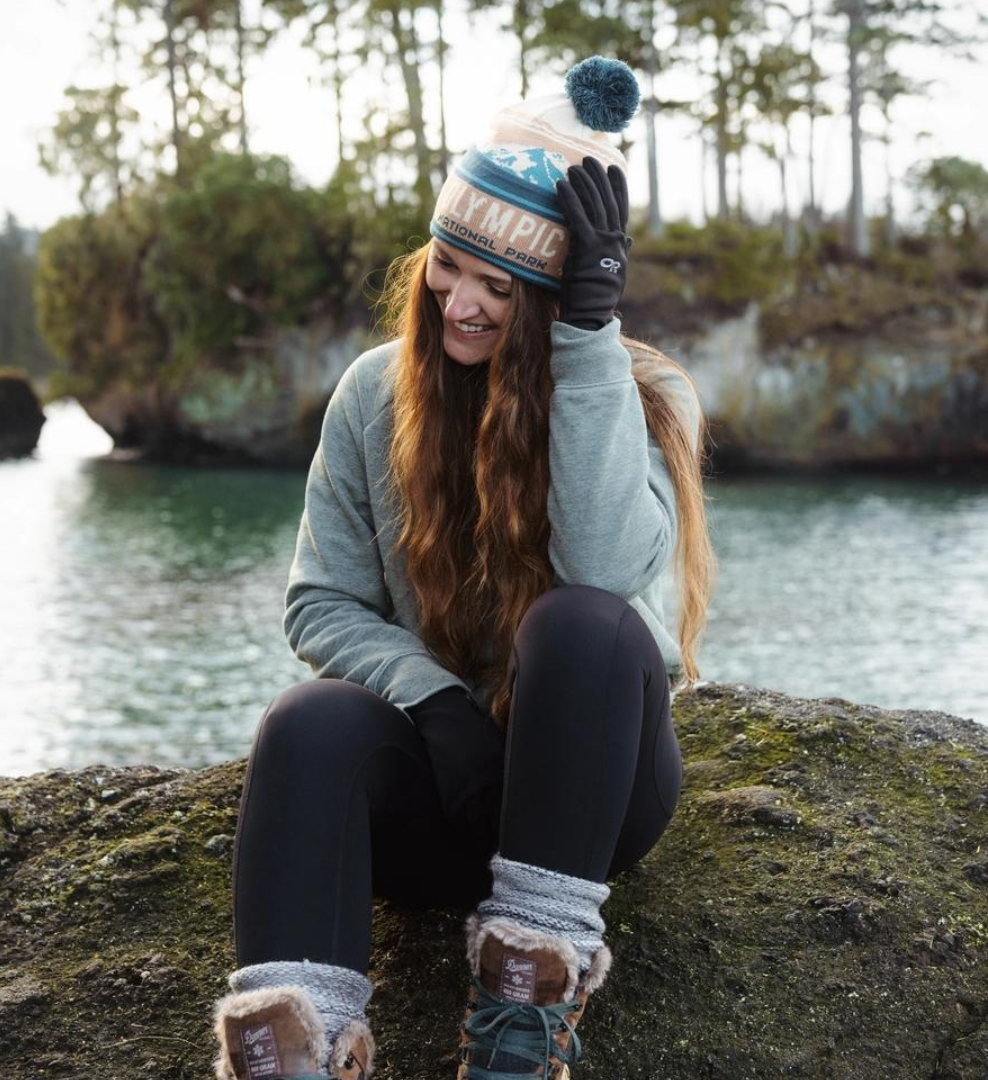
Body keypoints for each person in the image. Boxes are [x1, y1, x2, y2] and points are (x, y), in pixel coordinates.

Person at [212, 56, 716, 1080]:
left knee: (582, 623)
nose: (465, 305)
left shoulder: (648, 392)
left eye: (506, 287)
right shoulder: (372, 394)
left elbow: (610, 566)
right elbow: (321, 601)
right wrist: (434, 702)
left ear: (555, 295)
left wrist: (584, 339)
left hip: (589, 800)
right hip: (439, 798)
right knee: (307, 721)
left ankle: (520, 1029)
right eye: (451, 266)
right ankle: (290, 1050)